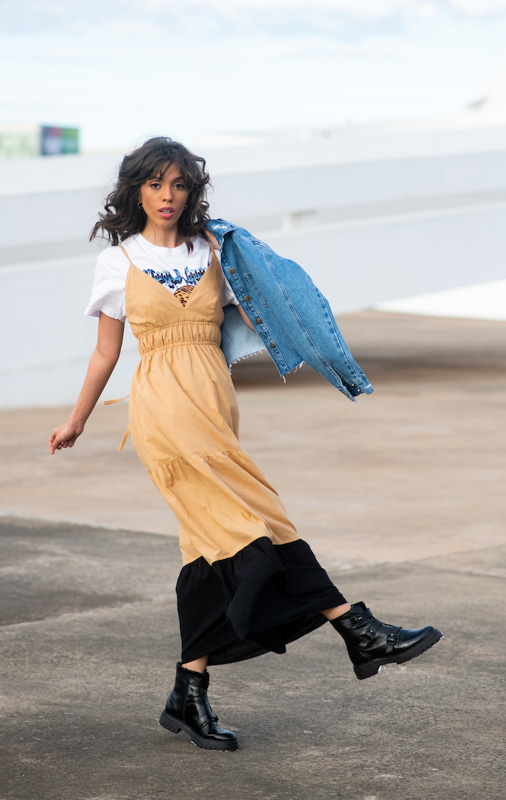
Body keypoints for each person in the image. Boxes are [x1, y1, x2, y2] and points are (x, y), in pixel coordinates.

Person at [49, 136, 442, 752]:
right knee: (258, 524)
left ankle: (189, 694)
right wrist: (77, 419)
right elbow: (106, 353)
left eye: (179, 185)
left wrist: (299, 325)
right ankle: (358, 629)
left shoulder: (215, 249)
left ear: (192, 191)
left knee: (209, 551)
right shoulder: (117, 261)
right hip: (164, 413)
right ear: (136, 191)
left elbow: (267, 305)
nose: (167, 196)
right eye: (155, 184)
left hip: (214, 406)